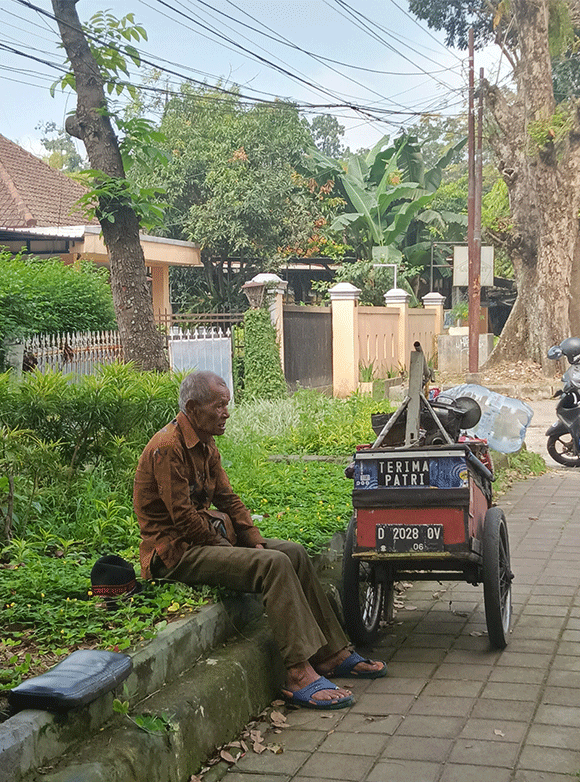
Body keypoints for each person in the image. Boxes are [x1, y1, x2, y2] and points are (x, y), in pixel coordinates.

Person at [134, 370, 386, 709]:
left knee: (293, 553)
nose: (226, 412)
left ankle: (330, 654)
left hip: (206, 538)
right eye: (218, 406)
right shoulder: (167, 448)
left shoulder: (206, 444)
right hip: (176, 553)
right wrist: (230, 549)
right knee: (273, 565)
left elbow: (228, 498)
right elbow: (183, 519)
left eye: (227, 405)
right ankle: (297, 672)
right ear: (193, 408)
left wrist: (251, 538)